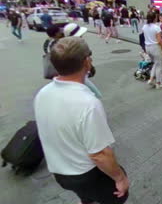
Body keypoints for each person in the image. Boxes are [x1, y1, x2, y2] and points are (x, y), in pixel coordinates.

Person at [34, 37, 129, 204]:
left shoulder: (43, 93)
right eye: (90, 56)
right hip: (85, 173)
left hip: (59, 171)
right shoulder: (88, 104)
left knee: (86, 196)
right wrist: (120, 178)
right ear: (86, 62)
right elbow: (100, 154)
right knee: (119, 196)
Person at [142, 13, 162, 89]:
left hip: (147, 47)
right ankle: (158, 83)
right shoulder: (156, 27)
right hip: (155, 47)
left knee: (155, 63)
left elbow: (144, 37)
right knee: (159, 65)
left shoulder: (144, 27)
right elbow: (159, 41)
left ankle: (151, 79)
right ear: (154, 18)